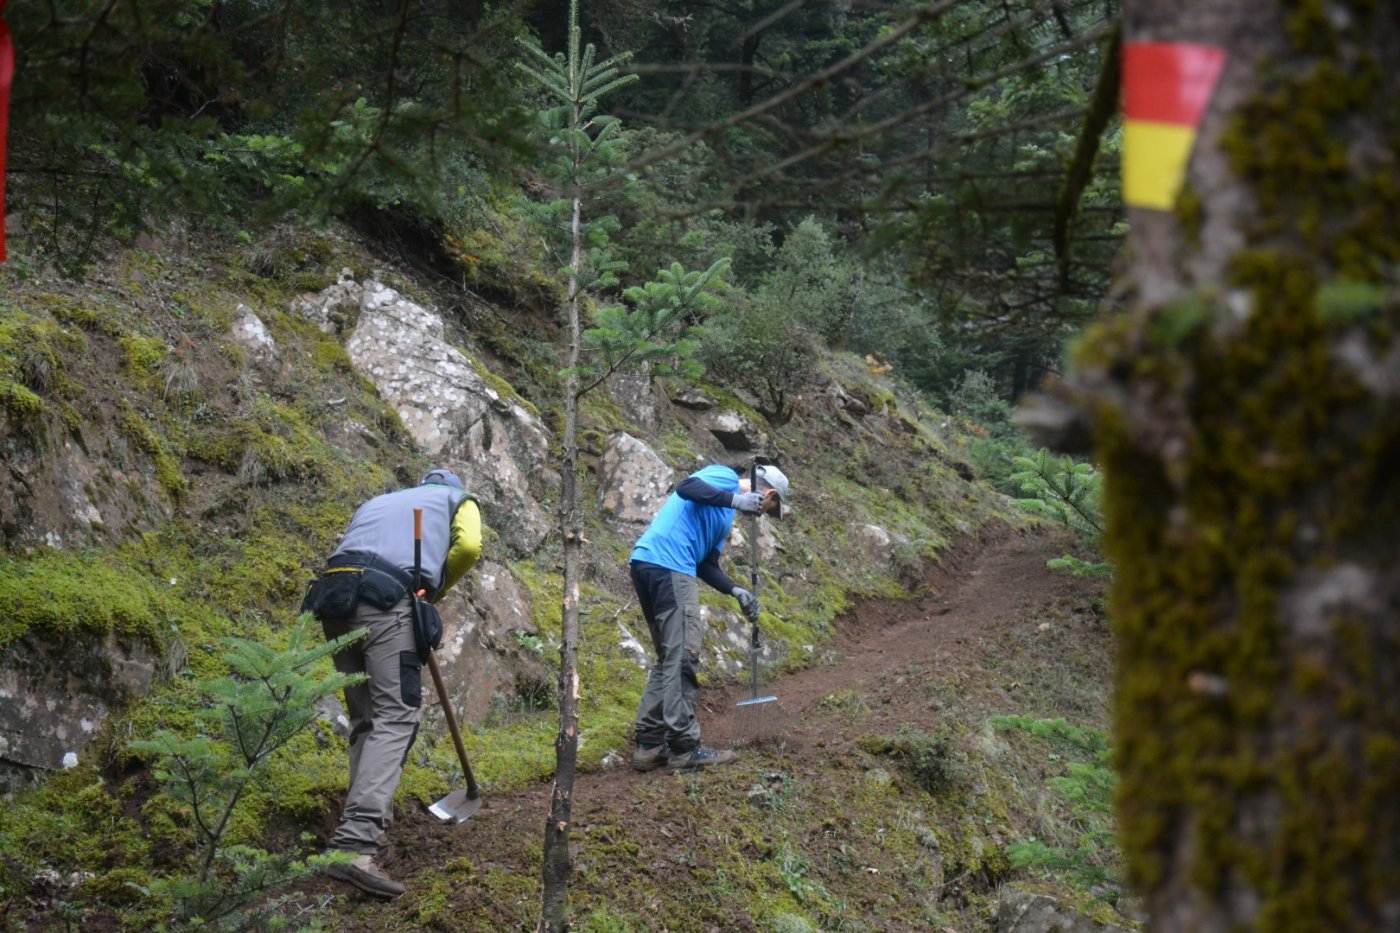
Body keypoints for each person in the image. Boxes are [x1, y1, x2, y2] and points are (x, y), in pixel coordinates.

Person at [302, 468, 481, 898]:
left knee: (366, 717)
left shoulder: (378, 501)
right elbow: (470, 547)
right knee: (396, 716)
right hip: (386, 598)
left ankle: (364, 824)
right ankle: (356, 844)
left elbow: (352, 550)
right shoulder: (459, 501)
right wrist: (430, 593)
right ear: (451, 488)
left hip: (334, 596)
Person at [629, 461, 790, 772]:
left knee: (668, 657)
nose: (763, 514)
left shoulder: (725, 516)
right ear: (769, 493)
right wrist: (736, 499)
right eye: (769, 508)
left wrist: (736, 590)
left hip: (649, 564)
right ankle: (685, 748)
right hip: (670, 567)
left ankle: (649, 744)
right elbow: (686, 487)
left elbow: (706, 565)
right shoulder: (725, 479)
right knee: (684, 656)